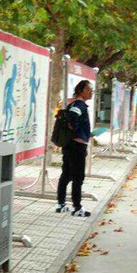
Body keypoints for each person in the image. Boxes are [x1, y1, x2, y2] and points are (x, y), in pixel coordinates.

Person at [56, 80, 94, 217]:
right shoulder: (79, 104)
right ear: (80, 91)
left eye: (91, 90)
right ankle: (77, 207)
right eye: (88, 90)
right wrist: (79, 133)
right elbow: (72, 118)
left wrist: (83, 133)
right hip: (76, 146)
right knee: (78, 177)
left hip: (70, 145)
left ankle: (60, 204)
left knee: (66, 174)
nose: (91, 93)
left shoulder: (74, 104)